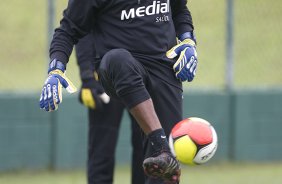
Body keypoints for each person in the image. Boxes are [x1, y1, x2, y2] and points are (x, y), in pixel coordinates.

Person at [39, 0, 198, 183]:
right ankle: (161, 145)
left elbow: (179, 10)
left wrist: (188, 41)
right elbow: (68, 30)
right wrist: (57, 70)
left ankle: (164, 152)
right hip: (116, 71)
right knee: (118, 60)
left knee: (165, 171)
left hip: (164, 70)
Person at [75, 33, 145, 184]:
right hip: (105, 76)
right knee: (101, 150)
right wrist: (87, 77)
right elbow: (81, 27)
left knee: (146, 147)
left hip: (142, 75)